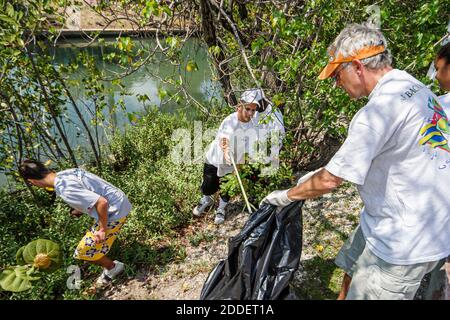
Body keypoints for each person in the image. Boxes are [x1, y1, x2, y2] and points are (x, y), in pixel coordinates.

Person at [261, 23, 450, 300]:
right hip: (436, 225)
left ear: (358, 67)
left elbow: (330, 181)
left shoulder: (377, 112)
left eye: (338, 75)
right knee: (355, 265)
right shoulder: (414, 86)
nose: (337, 84)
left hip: (401, 243)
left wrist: (285, 196)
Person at [19, 160, 132, 287]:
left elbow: (102, 203)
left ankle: (113, 267)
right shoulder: (65, 174)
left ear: (32, 181)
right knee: (91, 243)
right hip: (120, 199)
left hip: (116, 211)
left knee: (83, 251)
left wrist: (102, 229)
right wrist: (79, 209)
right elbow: (88, 190)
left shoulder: (64, 189)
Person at [193, 90, 262, 224]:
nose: (250, 113)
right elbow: (224, 138)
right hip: (215, 159)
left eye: (253, 110)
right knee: (208, 186)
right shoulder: (230, 121)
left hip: (234, 162)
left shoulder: (253, 125)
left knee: (226, 187)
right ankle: (207, 200)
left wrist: (239, 167)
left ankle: (221, 208)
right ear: (239, 107)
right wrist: (226, 151)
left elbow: (249, 149)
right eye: (248, 109)